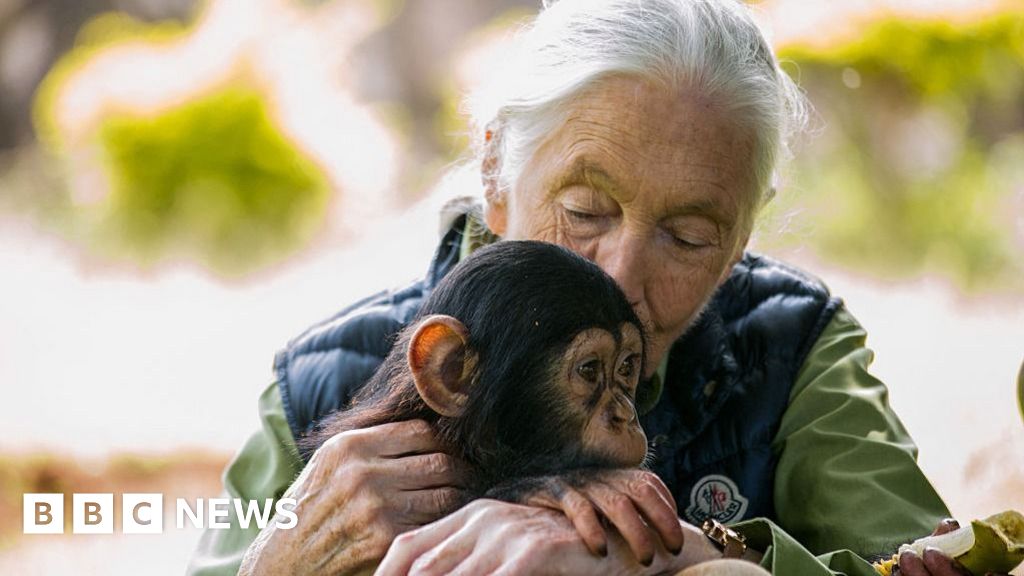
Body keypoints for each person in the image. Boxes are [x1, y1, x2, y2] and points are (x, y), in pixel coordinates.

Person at [187, 0, 960, 574]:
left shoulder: (792, 347)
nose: (616, 279)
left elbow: (935, 563)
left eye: (688, 238)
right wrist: (280, 558)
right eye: (586, 210)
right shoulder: (325, 384)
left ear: (738, 243)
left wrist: (690, 554)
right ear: (496, 174)